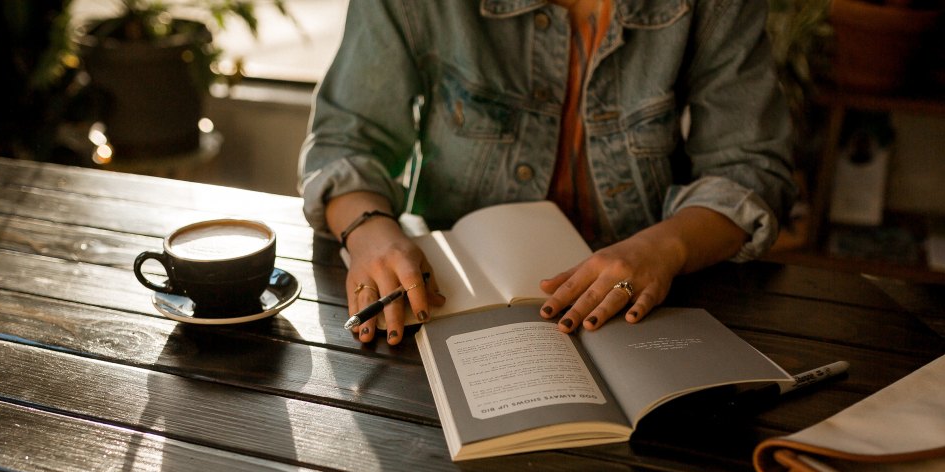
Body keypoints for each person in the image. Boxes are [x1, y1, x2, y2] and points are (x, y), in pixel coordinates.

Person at [299, 0, 797, 345]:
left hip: (645, 308)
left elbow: (749, 169)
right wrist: (372, 234)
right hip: (451, 300)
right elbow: (348, 136)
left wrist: (662, 249)